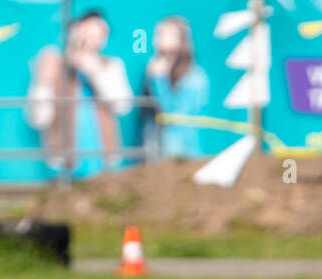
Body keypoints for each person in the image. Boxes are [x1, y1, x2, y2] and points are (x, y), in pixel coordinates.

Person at [25, 10, 133, 178]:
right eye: (86, 32)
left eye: (99, 34)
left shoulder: (111, 65)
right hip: (62, 166)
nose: (91, 40)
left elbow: (123, 106)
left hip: (106, 164)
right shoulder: (52, 62)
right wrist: (43, 82)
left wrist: (92, 68)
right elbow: (38, 119)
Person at [141, 16, 209, 159]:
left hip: (181, 153)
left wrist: (158, 80)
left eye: (162, 34)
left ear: (180, 39)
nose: (156, 39)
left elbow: (172, 117)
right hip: (157, 151)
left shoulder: (194, 77)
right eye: (157, 34)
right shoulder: (159, 68)